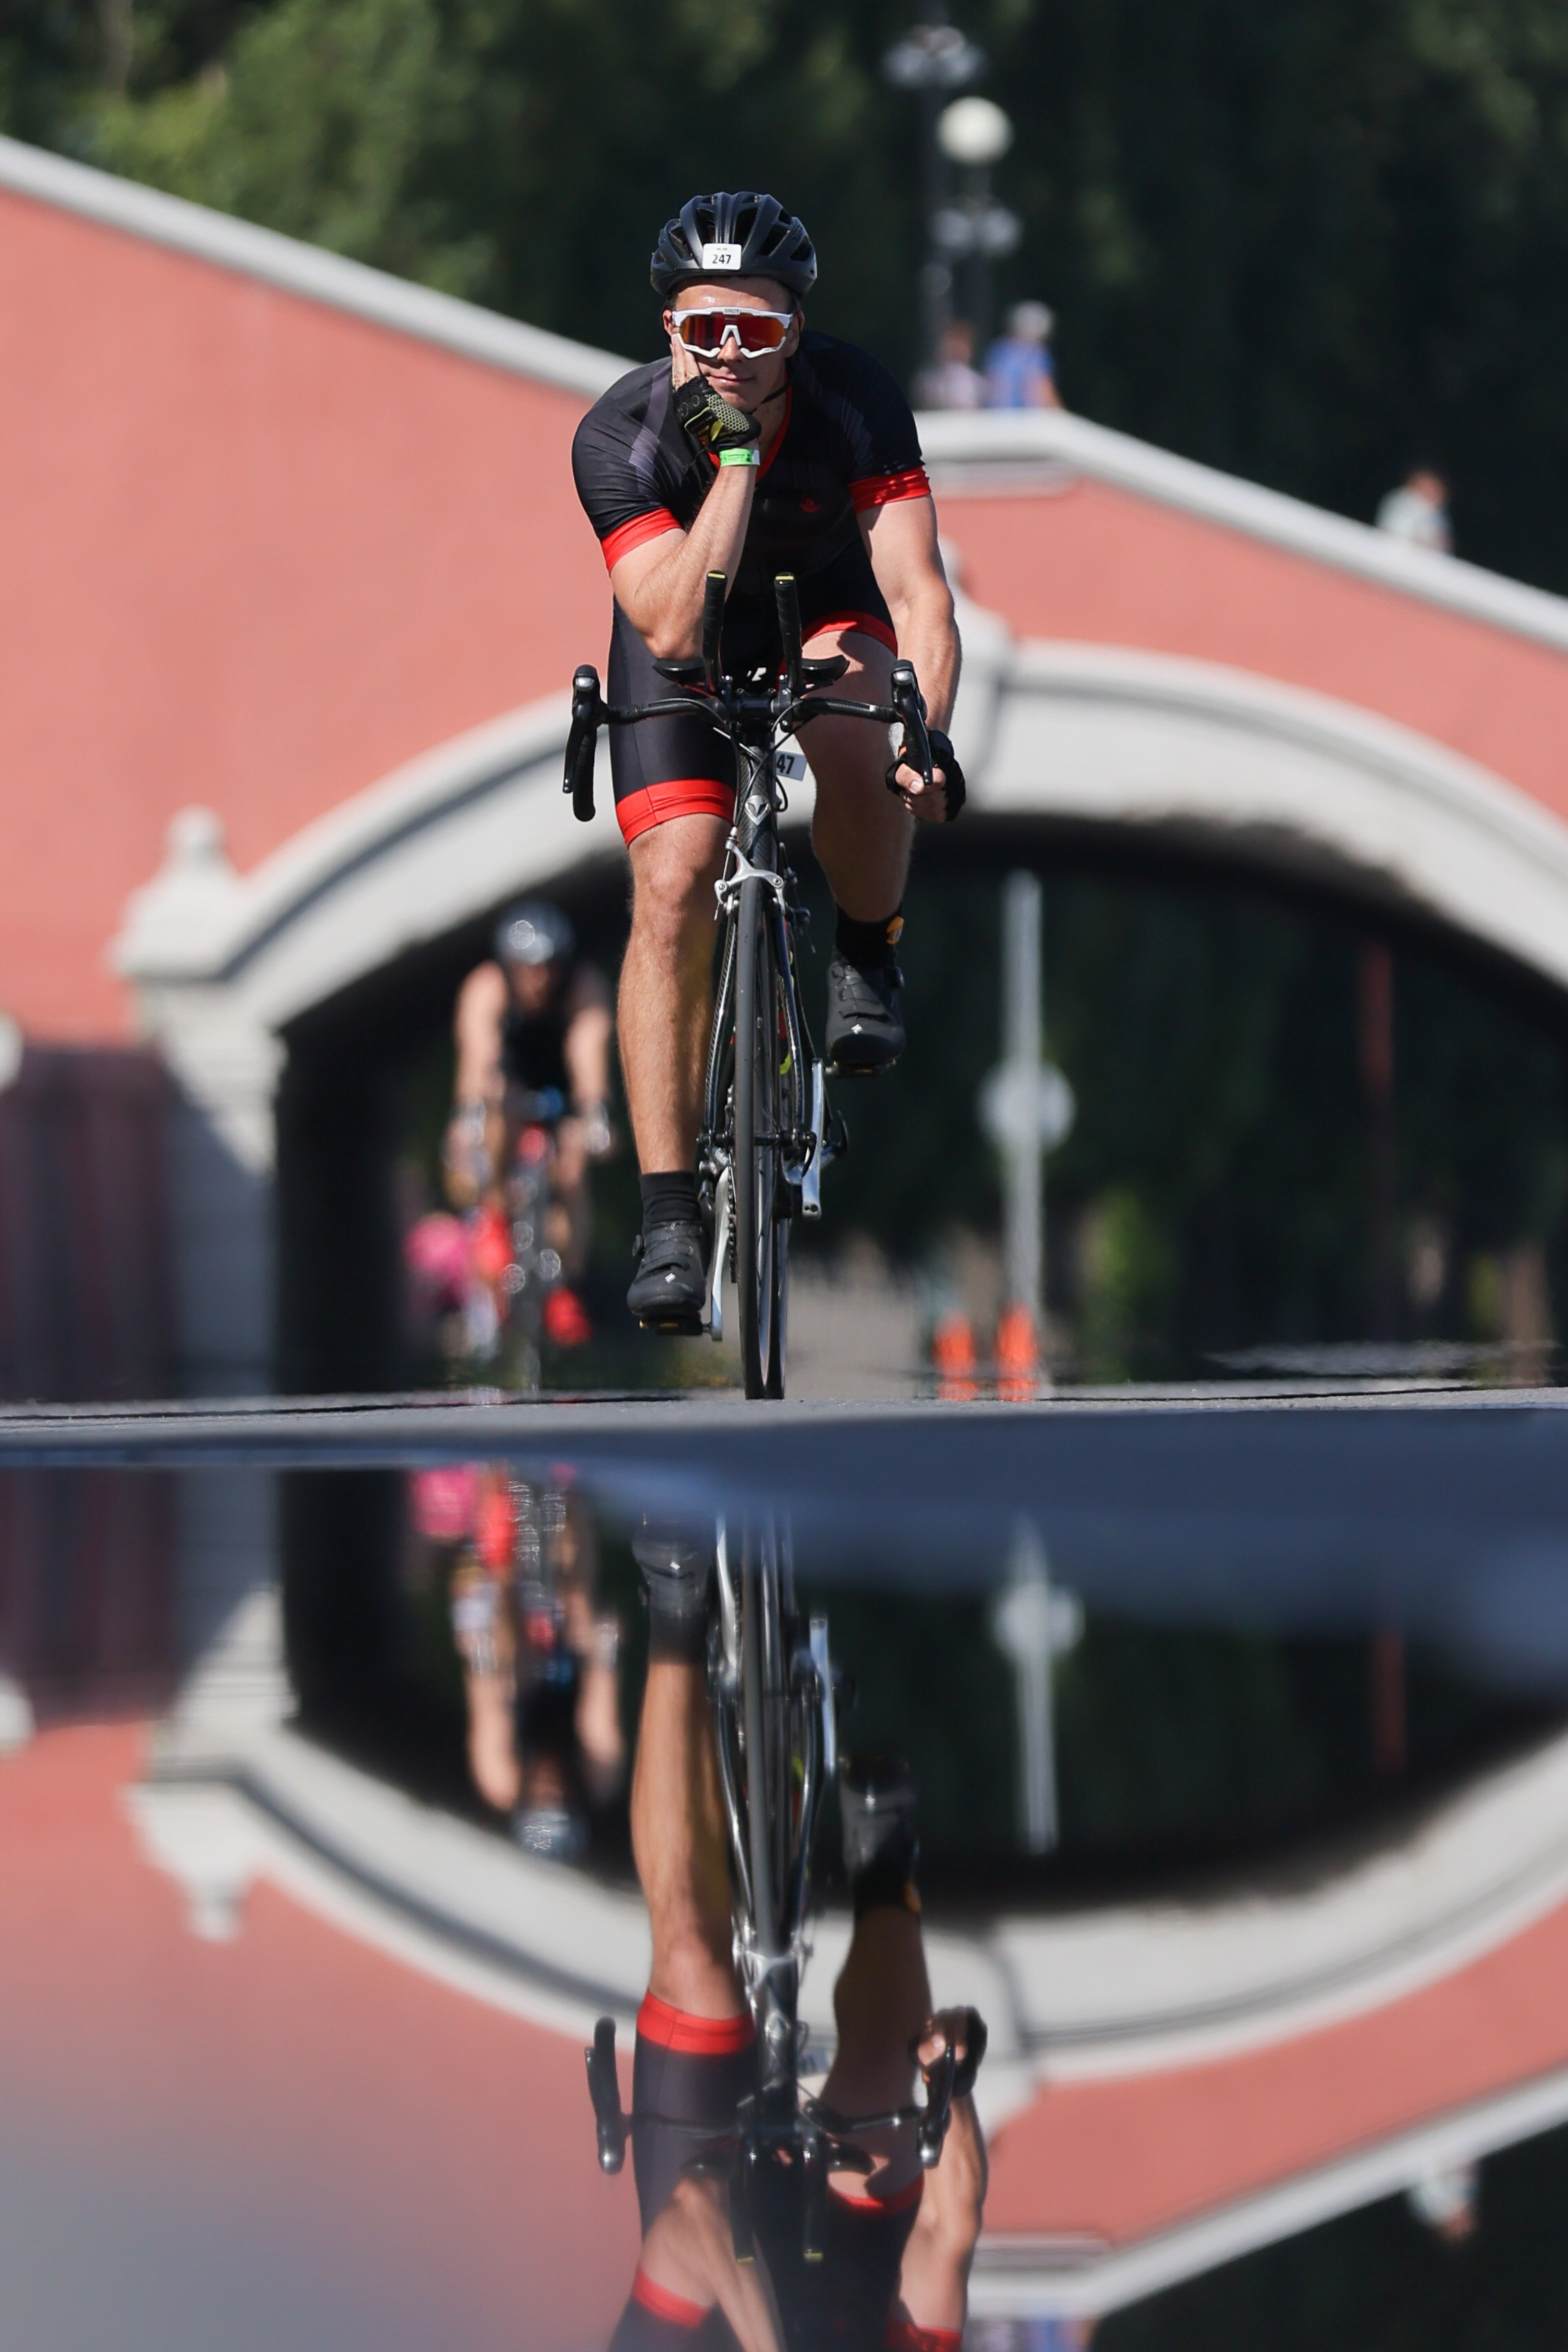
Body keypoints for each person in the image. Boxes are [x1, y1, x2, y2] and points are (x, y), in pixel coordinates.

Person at [571, 191, 965, 1333]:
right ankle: (665, 1220)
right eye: (705, 332)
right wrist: (733, 466)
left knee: (858, 733)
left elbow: (917, 595)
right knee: (670, 882)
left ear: (797, 331)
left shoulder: (856, 400)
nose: (730, 354)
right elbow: (671, 630)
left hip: (825, 614)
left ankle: (863, 950)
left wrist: (923, 733)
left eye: (755, 330)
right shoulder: (622, 435)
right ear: (671, 335)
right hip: (679, 638)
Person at [607, 1524, 989, 2350]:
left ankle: (674, 1602)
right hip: (855, 2238)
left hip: (712, 2218)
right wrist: (948, 2092)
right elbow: (947, 2231)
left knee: (695, 1959)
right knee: (902, 2068)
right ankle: (883, 1871)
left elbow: (696, 2215)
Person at [442, 900, 614, 1343]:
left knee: (572, 1164)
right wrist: (468, 1118)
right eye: (529, 968)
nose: (541, 979)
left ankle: (567, 1281)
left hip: (561, 1085)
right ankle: (499, 1215)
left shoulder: (582, 985)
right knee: (500, 1102)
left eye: (550, 966)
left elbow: (588, 1049)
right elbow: (477, 1055)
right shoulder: (488, 986)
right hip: (510, 1085)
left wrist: (594, 1113)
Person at [984, 302, 1061, 411]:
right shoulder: (1036, 354)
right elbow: (1040, 389)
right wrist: (1059, 415)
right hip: (1025, 419)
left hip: (997, 416)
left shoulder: (999, 349)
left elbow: (993, 388)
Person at [1375, 467, 1452, 554]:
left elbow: (1444, 544)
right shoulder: (1402, 499)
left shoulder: (1438, 514)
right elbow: (1394, 533)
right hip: (1392, 554)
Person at [916, 318, 986, 411]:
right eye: (951, 343)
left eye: (961, 344)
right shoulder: (926, 382)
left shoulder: (979, 384)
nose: (955, 349)